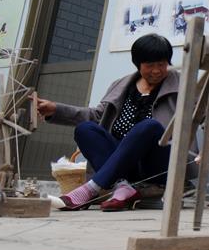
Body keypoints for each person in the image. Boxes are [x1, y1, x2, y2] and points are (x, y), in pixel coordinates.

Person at [36, 34, 186, 211]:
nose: (156, 70)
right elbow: (96, 115)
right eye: (150, 65)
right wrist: (56, 109)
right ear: (138, 65)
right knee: (85, 129)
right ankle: (122, 187)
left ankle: (90, 189)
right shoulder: (121, 85)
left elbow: (206, 112)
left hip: (156, 164)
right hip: (119, 164)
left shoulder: (182, 84)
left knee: (149, 126)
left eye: (161, 64)